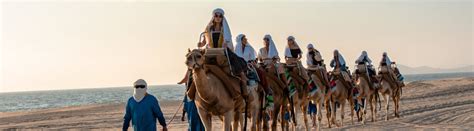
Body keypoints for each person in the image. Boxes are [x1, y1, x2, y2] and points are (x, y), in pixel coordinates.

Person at [197, 8, 249, 97]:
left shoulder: (224, 29)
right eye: (216, 16)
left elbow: (227, 40)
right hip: (210, 51)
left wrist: (226, 44)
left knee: (235, 61)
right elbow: (204, 42)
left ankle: (243, 81)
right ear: (213, 17)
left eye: (220, 16)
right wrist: (201, 44)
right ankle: (190, 89)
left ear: (222, 18)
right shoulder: (208, 29)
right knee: (195, 60)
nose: (218, 18)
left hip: (222, 51)